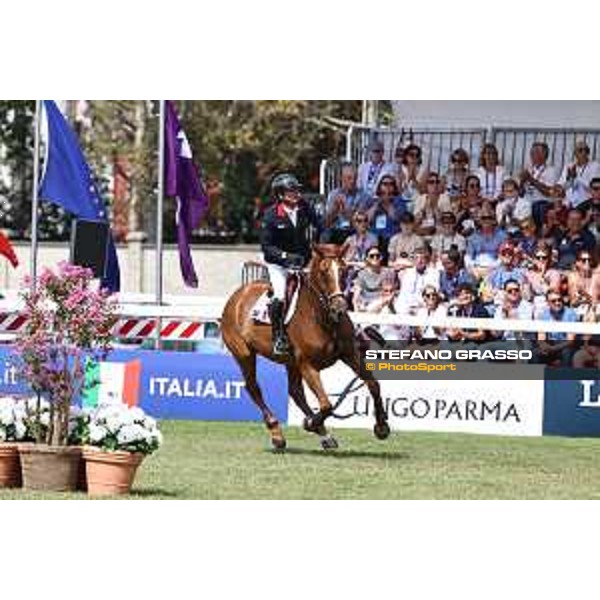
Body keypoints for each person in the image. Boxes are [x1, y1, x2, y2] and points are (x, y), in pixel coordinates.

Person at [261, 173, 321, 356]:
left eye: (297, 189)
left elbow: (319, 225)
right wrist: (285, 256)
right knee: (280, 295)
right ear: (280, 195)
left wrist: (319, 246)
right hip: (279, 265)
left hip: (302, 261)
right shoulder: (271, 215)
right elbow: (267, 247)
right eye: (291, 190)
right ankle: (279, 336)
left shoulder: (304, 208)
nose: (296, 193)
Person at [324, 163, 370, 244]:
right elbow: (327, 222)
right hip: (336, 230)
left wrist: (346, 210)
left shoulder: (363, 196)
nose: (352, 181)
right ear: (341, 178)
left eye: (355, 178)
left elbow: (359, 223)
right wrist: (334, 209)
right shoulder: (333, 194)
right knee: (325, 235)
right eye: (349, 178)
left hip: (353, 232)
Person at [519, 142, 558, 230]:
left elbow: (549, 192)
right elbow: (520, 194)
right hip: (526, 203)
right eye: (531, 152)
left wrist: (531, 179)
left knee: (538, 207)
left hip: (541, 203)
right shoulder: (528, 169)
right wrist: (522, 182)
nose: (532, 155)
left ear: (544, 155)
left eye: (536, 152)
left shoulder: (551, 170)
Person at [367, 173, 408, 252]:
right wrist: (377, 204)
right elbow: (367, 219)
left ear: (394, 186)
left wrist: (388, 202)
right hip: (375, 238)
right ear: (380, 186)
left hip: (392, 238)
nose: (388, 186)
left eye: (391, 184)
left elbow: (396, 218)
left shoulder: (399, 201)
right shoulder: (373, 201)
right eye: (385, 184)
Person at [536, 290, 578, 366]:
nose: (557, 303)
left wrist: (553, 348)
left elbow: (570, 341)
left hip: (565, 345)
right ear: (548, 303)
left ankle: (564, 377)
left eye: (559, 300)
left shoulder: (570, 314)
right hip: (551, 344)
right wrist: (544, 346)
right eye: (553, 301)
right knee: (535, 353)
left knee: (567, 353)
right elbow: (541, 337)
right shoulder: (543, 315)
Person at [557, 140, 600, 210]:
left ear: (588, 152)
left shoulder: (595, 166)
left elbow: (594, 188)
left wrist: (577, 177)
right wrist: (568, 180)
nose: (583, 152)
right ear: (575, 153)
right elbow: (561, 185)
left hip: (585, 202)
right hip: (567, 202)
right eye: (580, 150)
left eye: (586, 150)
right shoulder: (569, 166)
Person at [396, 244, 440, 312]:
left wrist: (419, 305)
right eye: (416, 258)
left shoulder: (434, 273)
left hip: (425, 305)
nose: (419, 261)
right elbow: (404, 293)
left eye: (422, 258)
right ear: (413, 260)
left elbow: (432, 293)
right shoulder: (407, 273)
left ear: (427, 260)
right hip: (407, 305)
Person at [352, 245, 393, 311]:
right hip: (365, 304)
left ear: (381, 257)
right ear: (367, 258)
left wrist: (380, 303)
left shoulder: (387, 272)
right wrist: (356, 311)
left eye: (377, 256)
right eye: (372, 256)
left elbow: (389, 293)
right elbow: (356, 297)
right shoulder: (362, 274)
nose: (375, 258)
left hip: (381, 303)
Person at [412, 172, 452, 238]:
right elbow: (415, 222)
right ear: (426, 185)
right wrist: (423, 210)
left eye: (437, 182)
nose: (435, 185)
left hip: (439, 235)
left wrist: (436, 210)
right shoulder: (420, 198)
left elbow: (448, 222)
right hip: (422, 233)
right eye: (431, 182)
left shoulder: (444, 198)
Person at [567, 249, 595, 319]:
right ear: (577, 262)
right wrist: (586, 298)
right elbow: (573, 302)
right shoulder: (573, 277)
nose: (587, 262)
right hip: (577, 310)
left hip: (592, 311)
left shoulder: (596, 277)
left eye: (589, 260)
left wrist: (584, 294)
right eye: (584, 260)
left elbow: (595, 301)